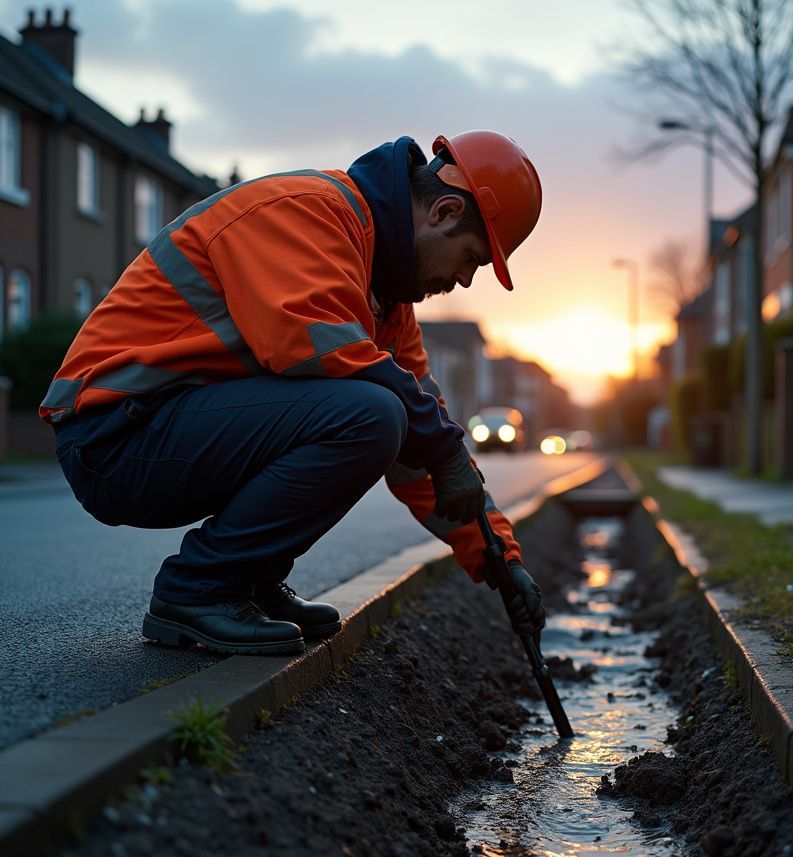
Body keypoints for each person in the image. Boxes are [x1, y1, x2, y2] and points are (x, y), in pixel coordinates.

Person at [40, 131, 546, 656]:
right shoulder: (309, 212)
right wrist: (440, 446)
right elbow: (315, 350)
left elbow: (424, 445)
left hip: (165, 423)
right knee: (371, 413)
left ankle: (249, 581)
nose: (464, 280)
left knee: (386, 411)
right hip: (113, 436)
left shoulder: (387, 304)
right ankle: (200, 589)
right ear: (442, 211)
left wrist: (498, 557)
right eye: (471, 258)